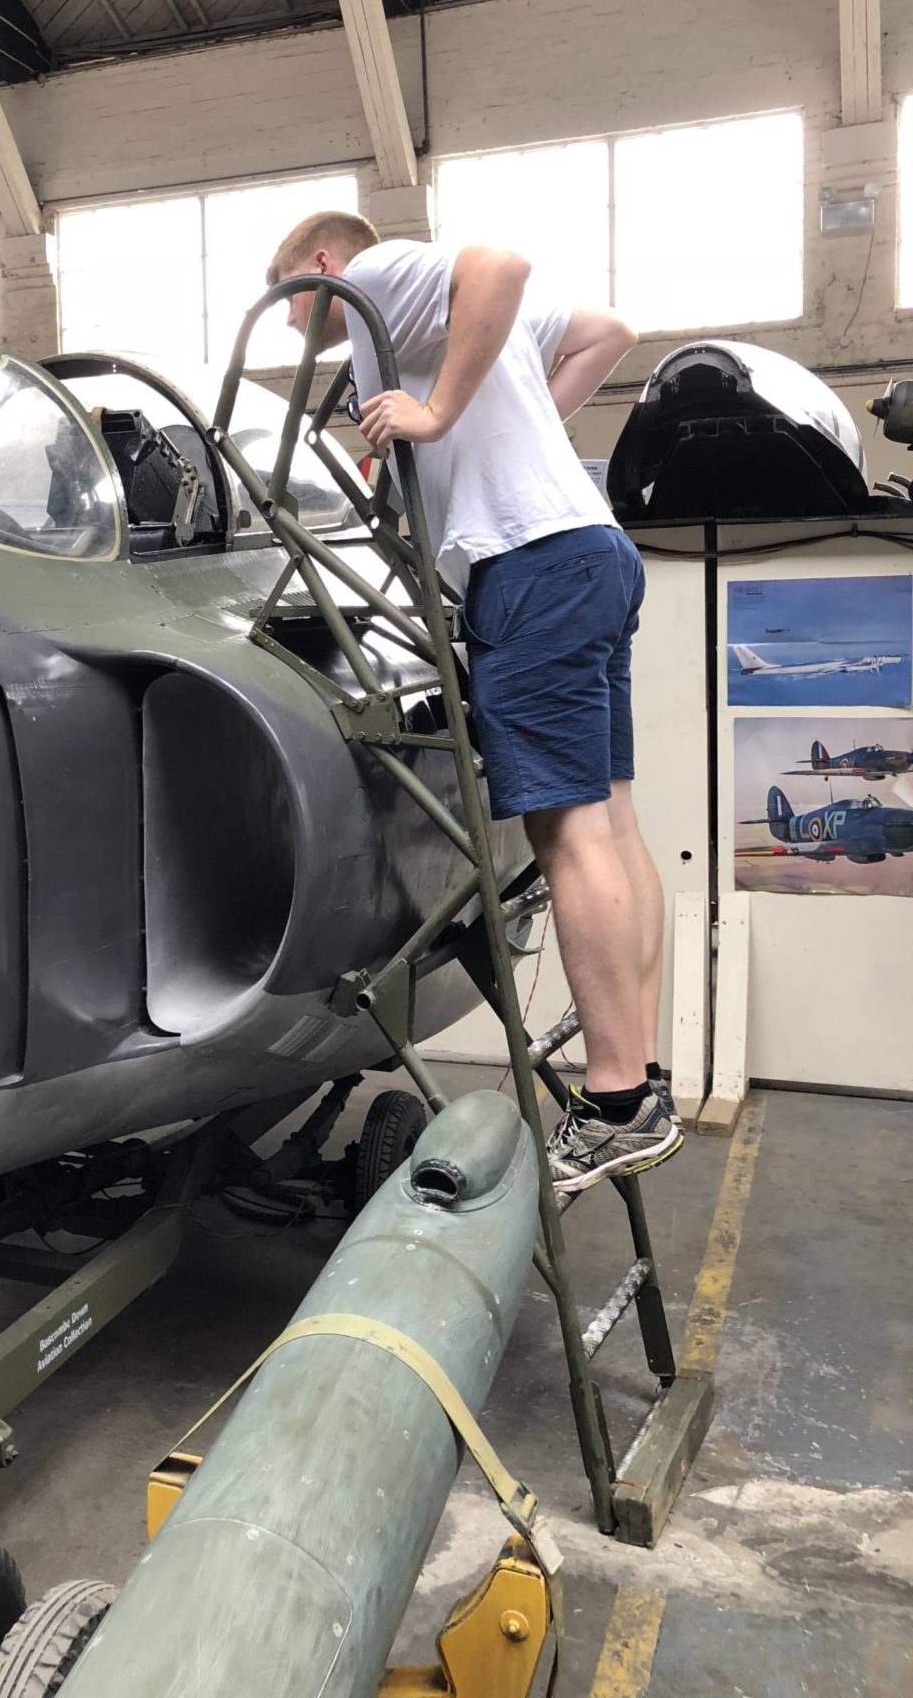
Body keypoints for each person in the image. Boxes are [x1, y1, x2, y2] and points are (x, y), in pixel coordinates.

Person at [265, 211, 679, 1192]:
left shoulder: (375, 284)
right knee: (612, 826)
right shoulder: (456, 331)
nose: (288, 322)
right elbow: (608, 331)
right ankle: (643, 1076)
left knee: (567, 836)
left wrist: (440, 415)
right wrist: (518, 419)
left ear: (320, 264)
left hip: (528, 566)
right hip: (585, 549)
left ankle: (616, 1102)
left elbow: (502, 261)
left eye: (286, 290)